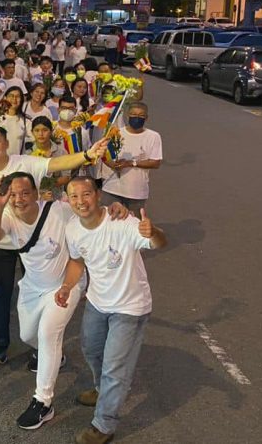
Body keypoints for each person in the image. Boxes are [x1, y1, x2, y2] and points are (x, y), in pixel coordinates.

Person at [0, 173, 123, 430]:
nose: (19, 199)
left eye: (25, 193)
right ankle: (54, 357)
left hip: (64, 286)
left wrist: (114, 208)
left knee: (48, 334)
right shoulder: (7, 216)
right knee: (28, 336)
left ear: (37, 193)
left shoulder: (59, 211)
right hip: (31, 288)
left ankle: (43, 402)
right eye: (13, 194)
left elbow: (89, 210)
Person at [0, 126, 109, 364]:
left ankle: (46, 340)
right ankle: (2, 344)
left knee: (40, 290)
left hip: (34, 239)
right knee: (3, 294)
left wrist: (87, 155)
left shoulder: (25, 162)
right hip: (4, 243)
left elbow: (56, 164)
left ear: (5, 143)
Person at [57, 177, 167, 444]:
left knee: (115, 367)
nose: (81, 201)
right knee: (91, 349)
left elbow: (159, 243)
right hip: (98, 301)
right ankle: (101, 389)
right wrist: (67, 286)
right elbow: (77, 260)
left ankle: (104, 425)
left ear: (98, 195)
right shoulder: (73, 228)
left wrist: (152, 231)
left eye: (86, 194)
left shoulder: (122, 222)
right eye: (74, 196)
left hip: (130, 307)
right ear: (68, 200)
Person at [100, 102, 162, 216]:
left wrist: (131, 163)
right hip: (111, 188)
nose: (136, 118)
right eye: (133, 114)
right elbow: (104, 155)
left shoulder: (153, 136)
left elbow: (155, 163)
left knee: (133, 227)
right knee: (107, 223)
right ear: (128, 116)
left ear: (146, 118)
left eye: (141, 116)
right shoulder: (116, 133)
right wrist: (112, 165)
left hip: (136, 192)